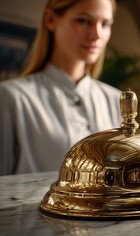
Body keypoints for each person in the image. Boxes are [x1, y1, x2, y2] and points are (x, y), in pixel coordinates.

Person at [0, 0, 121, 175]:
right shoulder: (12, 98)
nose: (96, 35)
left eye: (105, 24)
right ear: (50, 20)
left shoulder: (115, 100)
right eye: (83, 21)